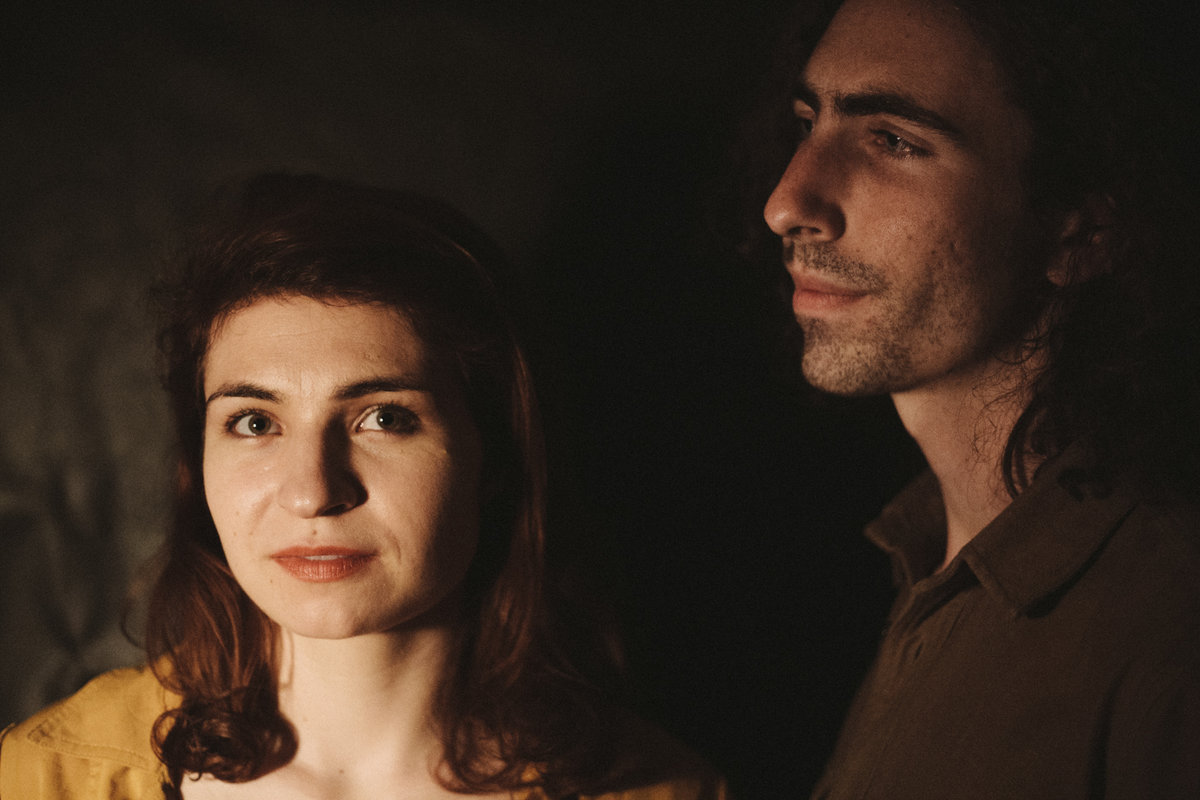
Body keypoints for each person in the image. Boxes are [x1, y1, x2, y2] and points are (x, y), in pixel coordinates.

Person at [0, 174, 727, 799]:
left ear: (494, 455)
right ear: (199, 461)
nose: (313, 492)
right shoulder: (46, 777)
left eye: (384, 418)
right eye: (254, 422)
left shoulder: (661, 790)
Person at [759, 0, 1200, 796]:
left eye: (893, 140)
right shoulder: (923, 555)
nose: (786, 203)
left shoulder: (1165, 635)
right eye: (806, 123)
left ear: (1082, 233)